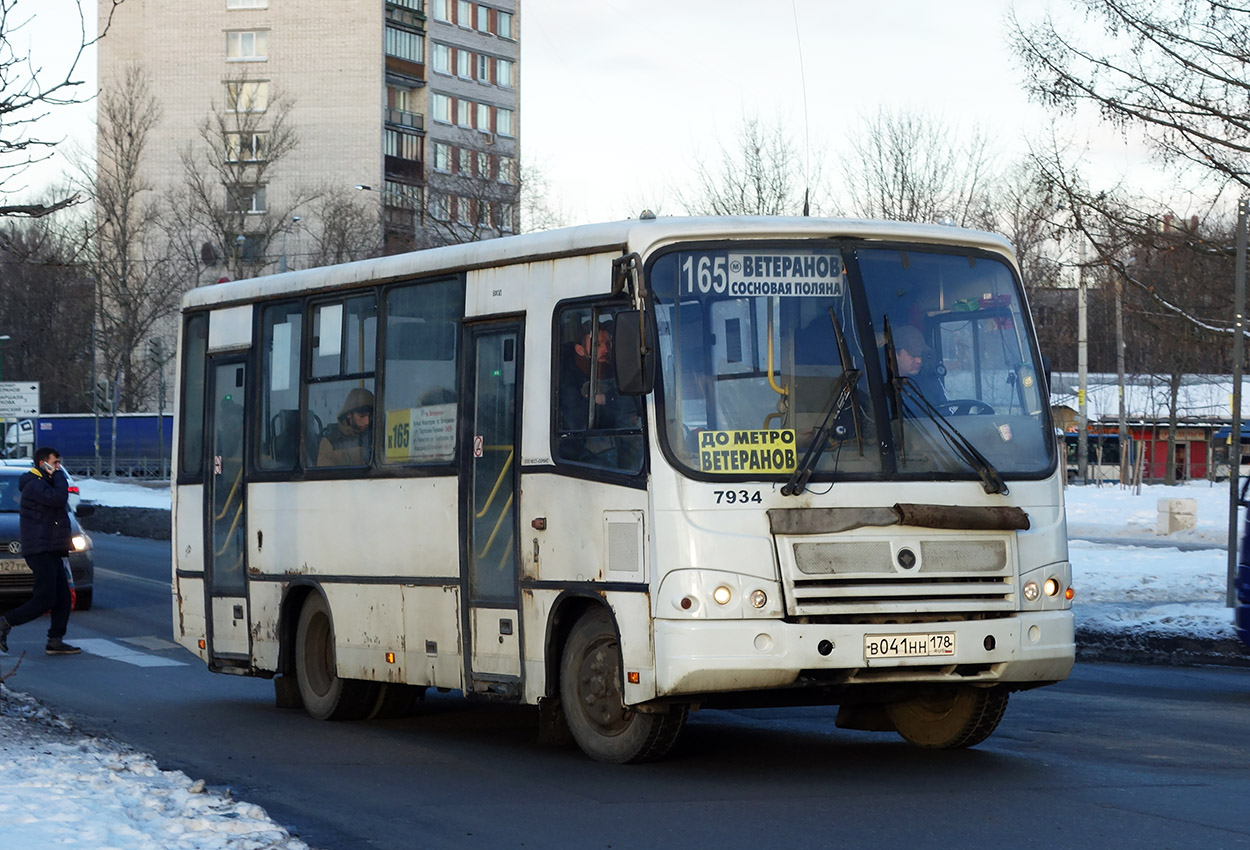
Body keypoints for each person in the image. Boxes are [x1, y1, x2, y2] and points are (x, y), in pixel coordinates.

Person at [0, 447, 80, 656]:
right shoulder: (34, 485)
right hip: (40, 550)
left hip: (52, 549)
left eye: (59, 463)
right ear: (42, 463)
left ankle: (55, 640)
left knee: (62, 598)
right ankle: (5, 622)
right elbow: (58, 499)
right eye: (54, 463)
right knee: (45, 599)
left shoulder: (44, 482)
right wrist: (60, 476)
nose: (58, 467)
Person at [557, 321, 640, 466]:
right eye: (597, 345)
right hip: (583, 456)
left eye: (608, 344)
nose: (605, 350)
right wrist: (609, 400)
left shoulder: (612, 371)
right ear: (580, 350)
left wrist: (607, 399)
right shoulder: (566, 379)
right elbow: (577, 419)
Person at [317, 387, 374, 466]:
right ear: (349, 415)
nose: (367, 421)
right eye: (361, 416)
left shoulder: (379, 436)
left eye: (370, 416)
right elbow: (324, 475)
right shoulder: (331, 442)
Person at [893, 325, 947, 405]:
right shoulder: (880, 386)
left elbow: (947, 412)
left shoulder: (930, 380)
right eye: (913, 355)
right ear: (893, 354)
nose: (919, 361)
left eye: (921, 355)